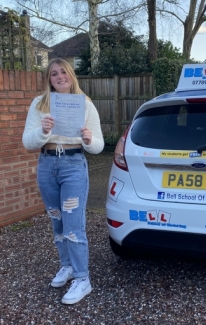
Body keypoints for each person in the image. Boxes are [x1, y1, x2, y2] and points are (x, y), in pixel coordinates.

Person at [22, 58, 104, 304]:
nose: (59, 77)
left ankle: (82, 278)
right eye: (54, 73)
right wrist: (43, 131)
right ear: (49, 78)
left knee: (73, 224)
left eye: (63, 72)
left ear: (71, 75)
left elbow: (98, 146)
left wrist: (89, 139)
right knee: (57, 220)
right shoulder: (40, 103)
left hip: (73, 165)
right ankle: (66, 266)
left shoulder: (86, 104)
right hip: (47, 164)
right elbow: (28, 142)